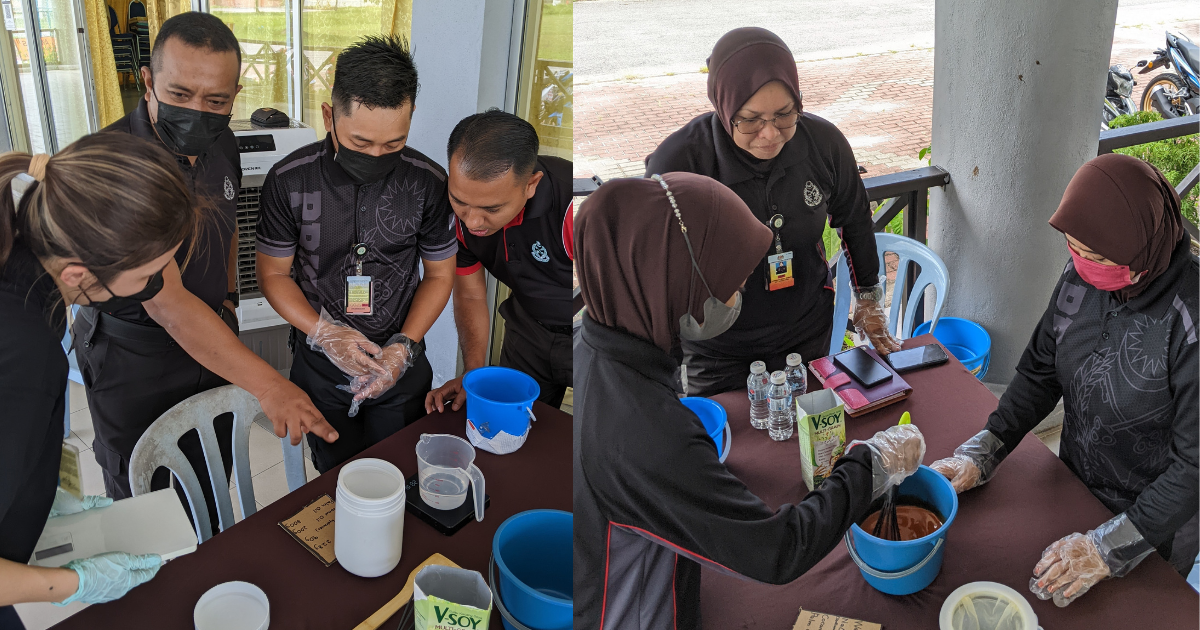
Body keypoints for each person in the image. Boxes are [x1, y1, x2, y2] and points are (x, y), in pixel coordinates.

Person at [573, 173, 926, 627]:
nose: (740, 294)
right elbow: (778, 551)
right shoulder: (643, 429)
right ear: (676, 278)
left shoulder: (592, 342)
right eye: (731, 281)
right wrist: (870, 461)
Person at [71, 12, 333, 539]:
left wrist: (232, 298)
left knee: (213, 479)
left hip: (214, 334)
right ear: (148, 81)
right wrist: (271, 385)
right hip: (136, 357)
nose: (197, 112)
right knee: (150, 513)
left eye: (215, 101)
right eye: (180, 93)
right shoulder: (115, 163)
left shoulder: (223, 144)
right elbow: (167, 303)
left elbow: (231, 219)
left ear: (235, 94)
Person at [931, 154, 1198, 607]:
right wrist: (986, 449)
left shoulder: (1190, 322)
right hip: (1074, 483)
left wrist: (1105, 549)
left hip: (1152, 524)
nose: (1083, 266)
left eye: (1097, 256)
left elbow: (1194, 469)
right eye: (1075, 249)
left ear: (1141, 243)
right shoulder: (1082, 276)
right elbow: (1040, 370)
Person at [0, 136, 213, 628]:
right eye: (151, 274)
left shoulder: (21, 271)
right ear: (79, 272)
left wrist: (36, 494)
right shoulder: (26, 356)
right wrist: (75, 583)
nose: (158, 286)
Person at [644, 27, 900, 397]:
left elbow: (855, 219)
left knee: (812, 439)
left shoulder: (823, 143)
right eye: (750, 119)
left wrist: (867, 297)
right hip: (718, 350)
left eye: (784, 114)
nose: (770, 134)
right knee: (728, 449)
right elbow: (652, 265)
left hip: (807, 333)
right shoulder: (682, 161)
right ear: (724, 106)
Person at [256, 35, 456, 473]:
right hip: (319, 364)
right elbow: (272, 275)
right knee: (334, 475)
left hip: (402, 365)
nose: (377, 156)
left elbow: (441, 276)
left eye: (393, 144)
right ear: (330, 116)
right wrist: (326, 334)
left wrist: (402, 347)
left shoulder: (427, 183)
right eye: (361, 143)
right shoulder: (290, 181)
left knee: (403, 472)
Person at [426, 110, 573, 415]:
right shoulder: (455, 216)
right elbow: (470, 293)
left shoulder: (573, 207)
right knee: (512, 423)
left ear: (531, 185)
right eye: (460, 201)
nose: (473, 221)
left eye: (491, 208)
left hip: (589, 330)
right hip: (528, 330)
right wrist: (474, 374)